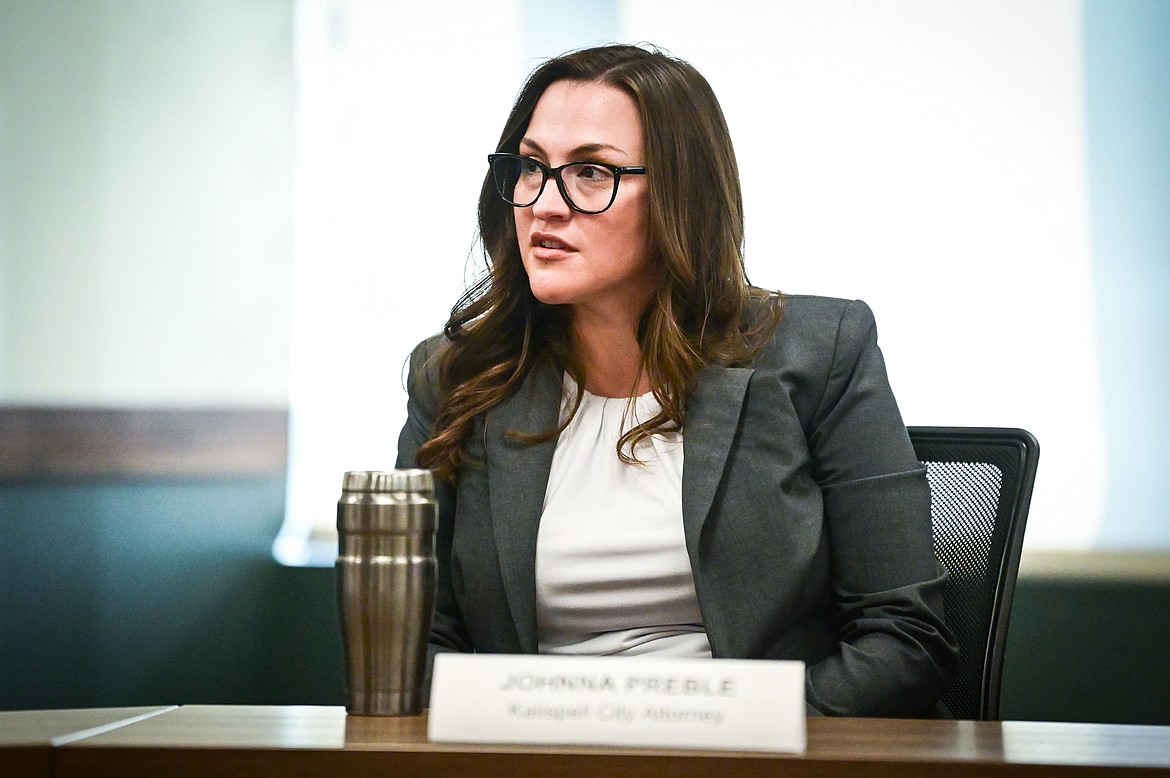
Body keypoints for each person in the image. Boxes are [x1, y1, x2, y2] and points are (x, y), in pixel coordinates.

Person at [396, 43, 958, 717]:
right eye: (531, 168)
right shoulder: (458, 376)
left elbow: (905, 642)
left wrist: (720, 737)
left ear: (679, 196)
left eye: (591, 173)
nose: (543, 206)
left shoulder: (819, 353)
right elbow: (412, 649)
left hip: (760, 766)